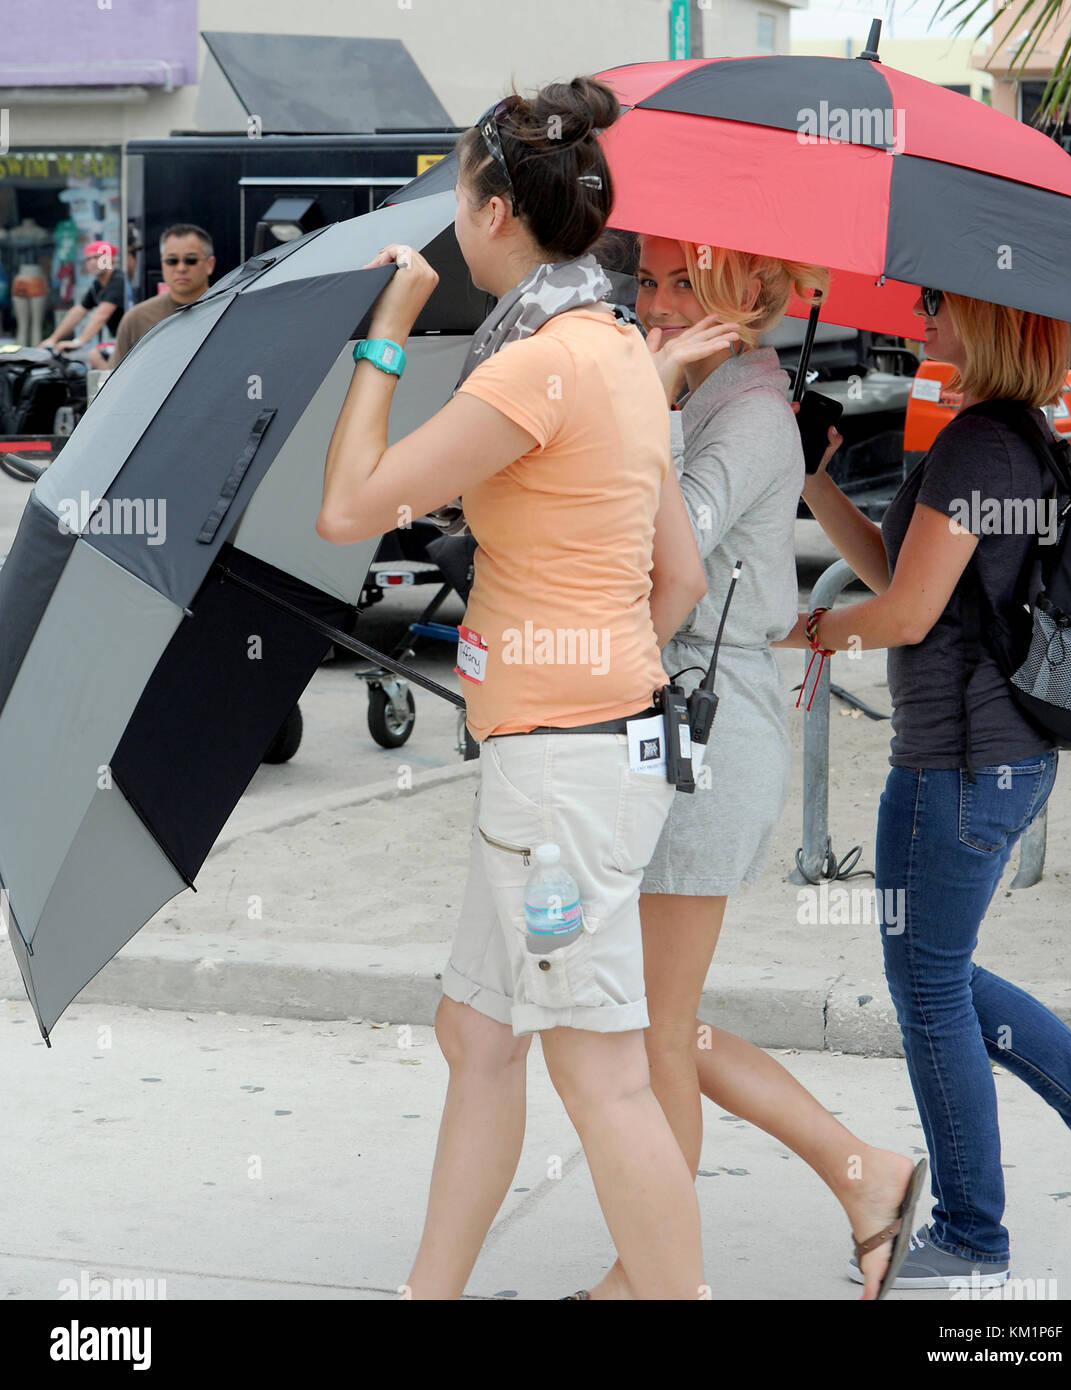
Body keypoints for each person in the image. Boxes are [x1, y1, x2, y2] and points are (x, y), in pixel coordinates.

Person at [316, 77, 711, 1299]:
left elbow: (347, 508)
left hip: (559, 773)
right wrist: (587, 674)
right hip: (590, 750)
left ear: (494, 212)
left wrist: (390, 323)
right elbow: (679, 578)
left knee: (600, 1072)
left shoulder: (537, 368)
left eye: (457, 199)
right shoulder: (615, 353)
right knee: (477, 1032)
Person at [572, 235, 923, 1302]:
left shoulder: (752, 415)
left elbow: (660, 554)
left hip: (703, 733)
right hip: (674, 721)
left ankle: (648, 1273)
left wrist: (652, 389)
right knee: (647, 1016)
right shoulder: (711, 398)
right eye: (650, 279)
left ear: (753, 295)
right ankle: (862, 1173)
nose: (659, 301)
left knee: (653, 1029)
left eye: (688, 282)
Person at [783, 286, 1071, 1287]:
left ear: (998, 319)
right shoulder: (1017, 434)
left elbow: (901, 611)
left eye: (938, 303)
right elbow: (897, 567)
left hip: (962, 764)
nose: (918, 314)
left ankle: (972, 1233)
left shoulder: (978, 444)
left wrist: (809, 631)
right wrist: (814, 482)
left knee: (928, 985)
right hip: (984, 756)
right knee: (935, 977)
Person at [108, 224, 216, 369]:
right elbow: (116, 380)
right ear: (162, 265)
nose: (181, 268)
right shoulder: (136, 319)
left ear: (210, 264)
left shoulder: (229, 312)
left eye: (191, 260)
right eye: (172, 261)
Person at [39, 240, 125, 359]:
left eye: (97, 257)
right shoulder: (97, 285)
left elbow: (101, 315)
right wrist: (53, 339)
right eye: (88, 259)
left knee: (95, 355)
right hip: (123, 341)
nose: (92, 262)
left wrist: (78, 342)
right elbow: (78, 312)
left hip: (135, 342)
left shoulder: (118, 280)